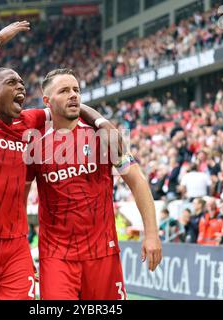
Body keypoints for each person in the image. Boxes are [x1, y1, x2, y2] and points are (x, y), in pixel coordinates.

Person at [0, 22, 107, 300]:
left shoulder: (28, 121)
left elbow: (66, 105)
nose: (20, 86)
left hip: (17, 246)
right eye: (11, 82)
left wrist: (101, 122)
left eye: (21, 83)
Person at [25, 68, 162, 300]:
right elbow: (20, 200)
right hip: (57, 258)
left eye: (76, 90)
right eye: (65, 90)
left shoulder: (104, 137)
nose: (73, 95)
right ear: (47, 101)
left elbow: (137, 181)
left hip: (103, 254)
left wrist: (151, 234)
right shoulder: (35, 145)